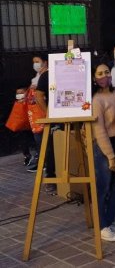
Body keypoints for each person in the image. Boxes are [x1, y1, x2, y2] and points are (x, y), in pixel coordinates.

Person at [91, 63, 115, 242]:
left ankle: (109, 221)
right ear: (94, 78)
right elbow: (99, 131)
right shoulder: (96, 100)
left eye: (107, 72)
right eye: (100, 73)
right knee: (103, 187)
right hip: (104, 145)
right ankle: (101, 225)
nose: (104, 76)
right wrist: (110, 156)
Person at [31, 54, 57, 194]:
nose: (35, 64)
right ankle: (51, 178)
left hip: (72, 116)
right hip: (51, 119)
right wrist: (49, 113)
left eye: (37, 61)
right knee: (50, 148)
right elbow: (38, 95)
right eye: (34, 62)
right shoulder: (45, 76)